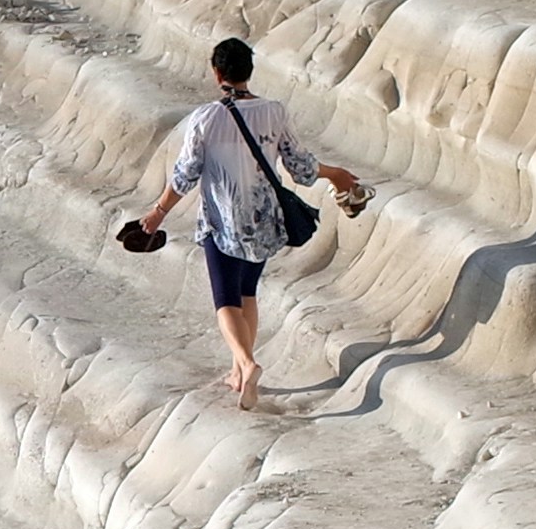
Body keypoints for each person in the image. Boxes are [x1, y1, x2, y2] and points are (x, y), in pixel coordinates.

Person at [122, 37, 364, 406]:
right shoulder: (274, 112)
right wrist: (336, 175)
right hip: (264, 219)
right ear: (248, 71)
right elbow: (299, 166)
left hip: (222, 221)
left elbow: (186, 175)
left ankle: (248, 364)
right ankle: (238, 373)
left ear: (217, 72)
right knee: (248, 293)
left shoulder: (206, 118)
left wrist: (157, 213)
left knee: (225, 300)